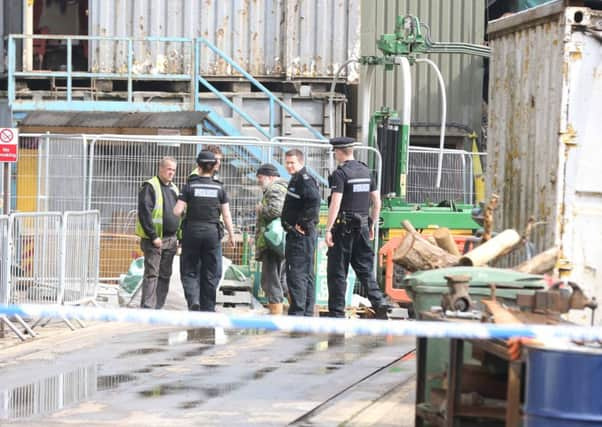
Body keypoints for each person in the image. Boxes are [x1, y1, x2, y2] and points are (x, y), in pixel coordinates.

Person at [324, 137, 391, 319]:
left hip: (343, 228)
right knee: (364, 268)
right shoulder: (366, 171)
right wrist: (371, 225)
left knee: (337, 271)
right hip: (362, 226)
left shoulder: (341, 174)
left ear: (338, 152)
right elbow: (377, 202)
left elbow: (335, 203)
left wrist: (328, 229)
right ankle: (379, 302)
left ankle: (337, 313)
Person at [174, 150, 234, 311]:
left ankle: (194, 300)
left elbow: (177, 211)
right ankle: (208, 307)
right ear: (214, 166)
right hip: (212, 234)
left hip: (192, 232)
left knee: (189, 268)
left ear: (198, 166)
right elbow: (227, 215)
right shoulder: (219, 189)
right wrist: (232, 235)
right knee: (211, 270)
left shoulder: (189, 187)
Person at [135, 156, 180, 309]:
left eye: (174, 170)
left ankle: (158, 307)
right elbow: (144, 212)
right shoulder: (150, 186)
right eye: (169, 169)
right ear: (160, 169)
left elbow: (180, 214)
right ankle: (147, 307)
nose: (171, 173)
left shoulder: (174, 188)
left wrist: (179, 237)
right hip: (154, 239)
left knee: (165, 275)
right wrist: (153, 236)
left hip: (171, 239)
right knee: (152, 274)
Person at [281, 149, 321, 316]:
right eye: (287, 162)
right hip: (301, 234)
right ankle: (305, 312)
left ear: (301, 162)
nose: (289, 166)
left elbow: (314, 200)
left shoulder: (304, 180)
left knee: (297, 274)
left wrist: (302, 224)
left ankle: (298, 313)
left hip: (300, 236)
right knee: (305, 274)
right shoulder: (296, 179)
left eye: (293, 163)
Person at [254, 163, 288, 315]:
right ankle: (298, 314)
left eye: (260, 177)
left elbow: (276, 210)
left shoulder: (275, 189)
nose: (259, 181)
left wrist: (261, 210)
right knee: (282, 280)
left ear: (270, 177)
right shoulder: (283, 188)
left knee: (270, 280)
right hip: (279, 241)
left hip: (272, 241)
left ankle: (276, 318)